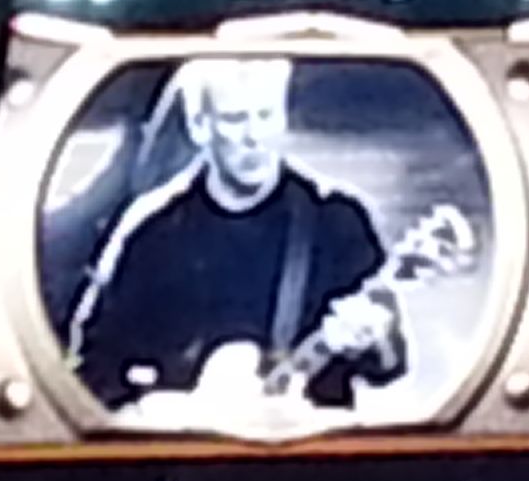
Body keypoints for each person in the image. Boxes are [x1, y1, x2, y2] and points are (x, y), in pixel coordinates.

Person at [69, 58, 407, 413]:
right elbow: (91, 365)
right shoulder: (152, 229)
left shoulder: (335, 219)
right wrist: (156, 409)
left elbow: (390, 365)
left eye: (266, 116)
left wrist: (374, 337)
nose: (254, 138)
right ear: (200, 126)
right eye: (235, 119)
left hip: (309, 442)